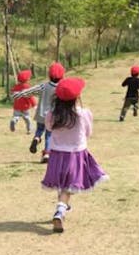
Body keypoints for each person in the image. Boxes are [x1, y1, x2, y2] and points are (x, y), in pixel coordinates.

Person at [41, 78, 109, 233]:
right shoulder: (83, 114)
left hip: (56, 155)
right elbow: (88, 133)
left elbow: (49, 128)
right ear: (77, 97)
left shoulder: (52, 115)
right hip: (75, 155)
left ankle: (63, 205)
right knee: (67, 187)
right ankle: (60, 210)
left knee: (62, 183)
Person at [13, 62, 65, 163]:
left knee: (39, 130)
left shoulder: (43, 86)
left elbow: (29, 92)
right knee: (49, 135)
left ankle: (36, 138)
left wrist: (18, 94)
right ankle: (46, 154)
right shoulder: (61, 88)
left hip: (41, 115)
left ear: (49, 75)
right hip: (53, 116)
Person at [9, 70, 36, 134]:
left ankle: (14, 120)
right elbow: (30, 97)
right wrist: (34, 104)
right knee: (27, 118)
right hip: (25, 106)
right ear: (27, 79)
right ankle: (29, 129)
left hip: (17, 106)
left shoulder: (16, 86)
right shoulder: (27, 87)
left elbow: (12, 92)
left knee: (16, 116)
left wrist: (14, 89)